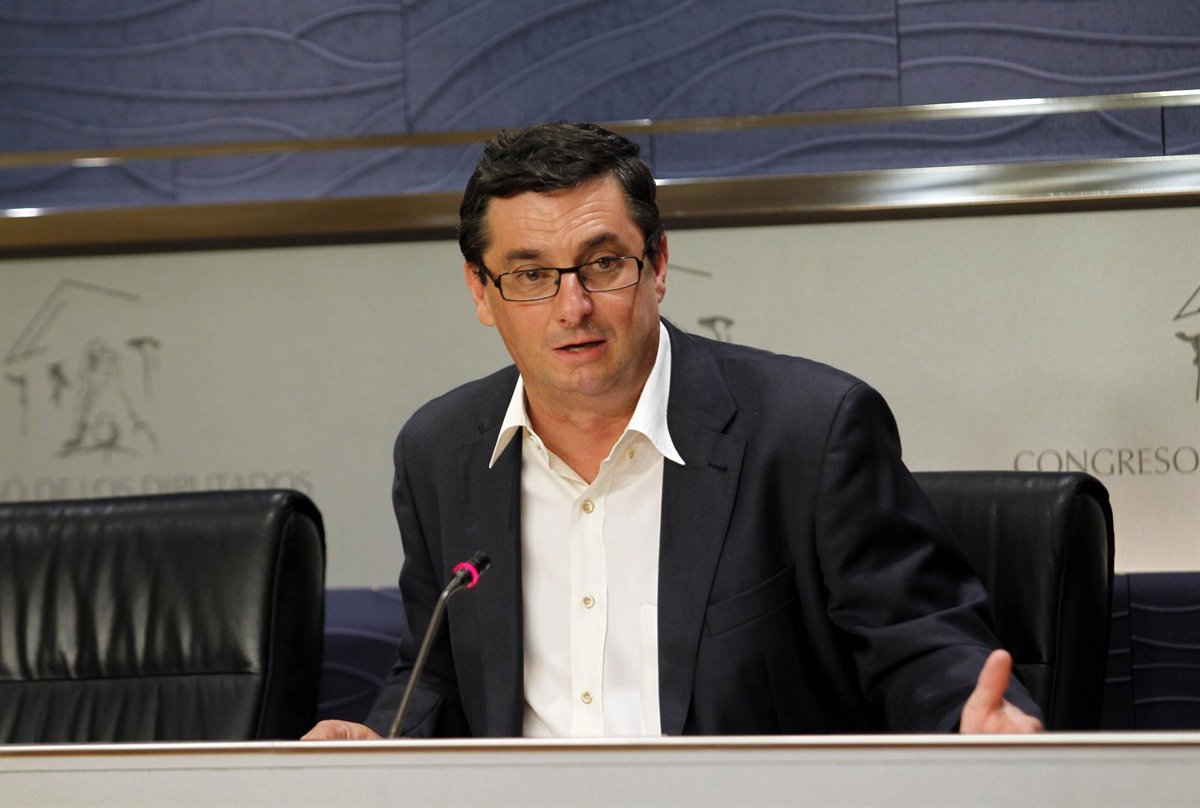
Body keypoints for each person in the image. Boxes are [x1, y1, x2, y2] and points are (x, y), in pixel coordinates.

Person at [304, 122, 1043, 741]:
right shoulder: (440, 452)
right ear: (481, 291)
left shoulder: (809, 432)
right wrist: (382, 745)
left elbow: (918, 645)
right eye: (530, 275)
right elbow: (436, 676)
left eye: (603, 264)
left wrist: (973, 722)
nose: (572, 307)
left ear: (657, 264)